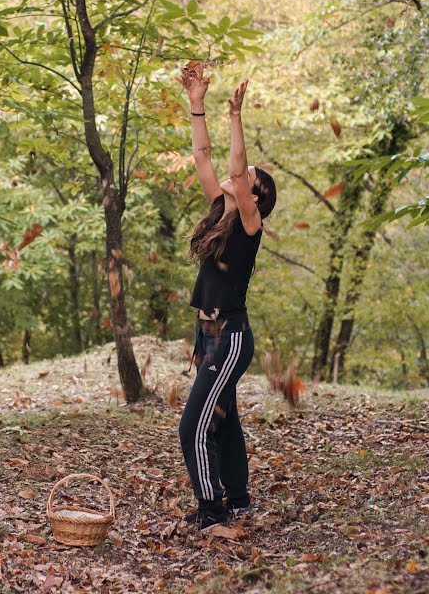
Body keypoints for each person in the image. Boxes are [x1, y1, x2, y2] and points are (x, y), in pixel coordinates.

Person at [175, 63, 277, 532]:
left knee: (193, 425)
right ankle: (238, 499)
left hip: (231, 336)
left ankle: (211, 509)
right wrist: (197, 103)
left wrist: (236, 117)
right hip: (207, 332)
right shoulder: (220, 210)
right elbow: (202, 156)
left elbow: (235, 167)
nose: (236, 176)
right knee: (224, 417)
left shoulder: (250, 226)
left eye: (246, 177)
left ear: (254, 195)